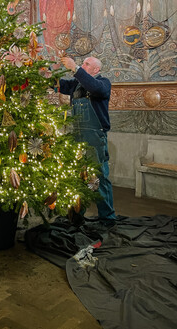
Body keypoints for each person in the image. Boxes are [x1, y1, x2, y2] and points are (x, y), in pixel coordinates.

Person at [58, 56, 116, 227]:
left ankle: (107, 217)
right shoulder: (75, 85)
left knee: (99, 177)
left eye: (86, 64)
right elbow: (60, 85)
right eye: (82, 63)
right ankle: (77, 214)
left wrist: (76, 68)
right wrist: (46, 74)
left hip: (94, 137)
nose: (83, 66)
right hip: (77, 135)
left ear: (96, 69)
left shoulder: (103, 83)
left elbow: (95, 89)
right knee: (78, 177)